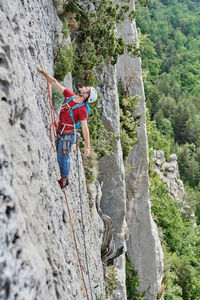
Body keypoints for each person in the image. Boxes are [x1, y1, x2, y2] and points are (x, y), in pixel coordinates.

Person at [37, 66, 98, 188]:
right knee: (60, 156)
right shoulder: (70, 96)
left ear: (86, 95)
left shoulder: (82, 110)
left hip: (67, 136)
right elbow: (55, 83)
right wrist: (43, 72)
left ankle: (65, 179)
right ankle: (64, 176)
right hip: (61, 131)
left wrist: (87, 146)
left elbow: (85, 128)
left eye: (86, 88)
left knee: (63, 157)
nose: (84, 87)